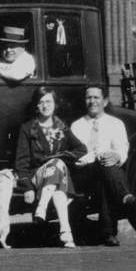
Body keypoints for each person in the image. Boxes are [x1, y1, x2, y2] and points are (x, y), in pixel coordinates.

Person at [13, 87, 87, 248]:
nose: (45, 105)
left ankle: (65, 231)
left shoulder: (62, 127)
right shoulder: (27, 128)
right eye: (41, 102)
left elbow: (81, 149)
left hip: (56, 176)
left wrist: (60, 157)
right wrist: (27, 187)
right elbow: (21, 161)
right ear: (36, 106)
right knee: (57, 166)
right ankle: (60, 225)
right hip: (37, 176)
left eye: (48, 101)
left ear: (54, 104)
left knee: (58, 177)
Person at [70, 85, 136, 246]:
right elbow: (77, 157)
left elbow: (122, 149)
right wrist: (97, 155)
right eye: (89, 97)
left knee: (105, 177)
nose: (92, 101)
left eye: (96, 97)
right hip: (84, 173)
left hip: (106, 171)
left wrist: (115, 156)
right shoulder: (76, 126)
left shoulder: (115, 123)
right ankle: (124, 196)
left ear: (105, 101)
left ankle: (108, 234)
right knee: (104, 164)